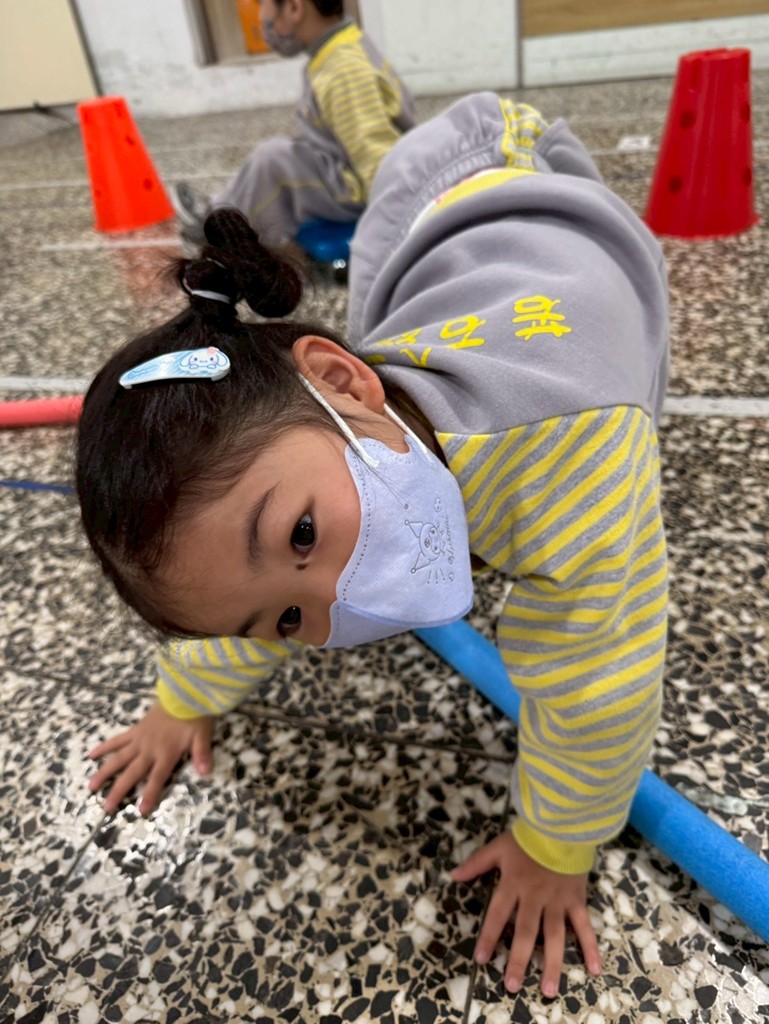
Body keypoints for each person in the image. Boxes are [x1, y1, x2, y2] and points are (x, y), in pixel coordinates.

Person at [77, 92, 669, 998]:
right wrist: (181, 702)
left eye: (302, 535)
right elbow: (236, 594)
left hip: (480, 182)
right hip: (452, 276)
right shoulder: (323, 427)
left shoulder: (575, 460)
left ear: (346, 379)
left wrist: (555, 846)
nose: (340, 600)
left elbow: (600, 680)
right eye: (290, 618)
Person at [172, 0, 415, 247]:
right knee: (282, 156)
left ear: (294, 8)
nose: (262, 17)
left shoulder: (343, 70)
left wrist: (396, 229)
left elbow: (377, 159)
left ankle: (219, 231)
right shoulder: (338, 49)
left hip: (355, 191)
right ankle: (220, 210)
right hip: (343, 171)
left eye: (263, 4)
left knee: (273, 161)